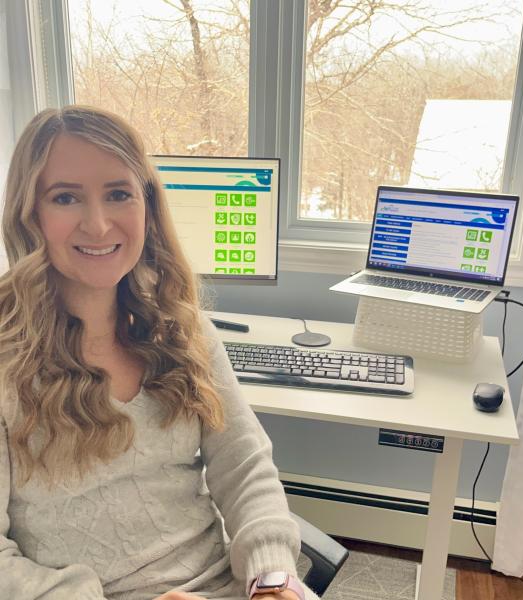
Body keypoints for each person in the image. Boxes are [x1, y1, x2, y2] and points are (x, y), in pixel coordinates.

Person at [0, 106, 310, 600]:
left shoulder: (182, 329)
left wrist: (272, 578)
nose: (99, 225)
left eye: (118, 193)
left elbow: (244, 464)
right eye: (65, 197)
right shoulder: (6, 360)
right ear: (29, 212)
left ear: (147, 204)